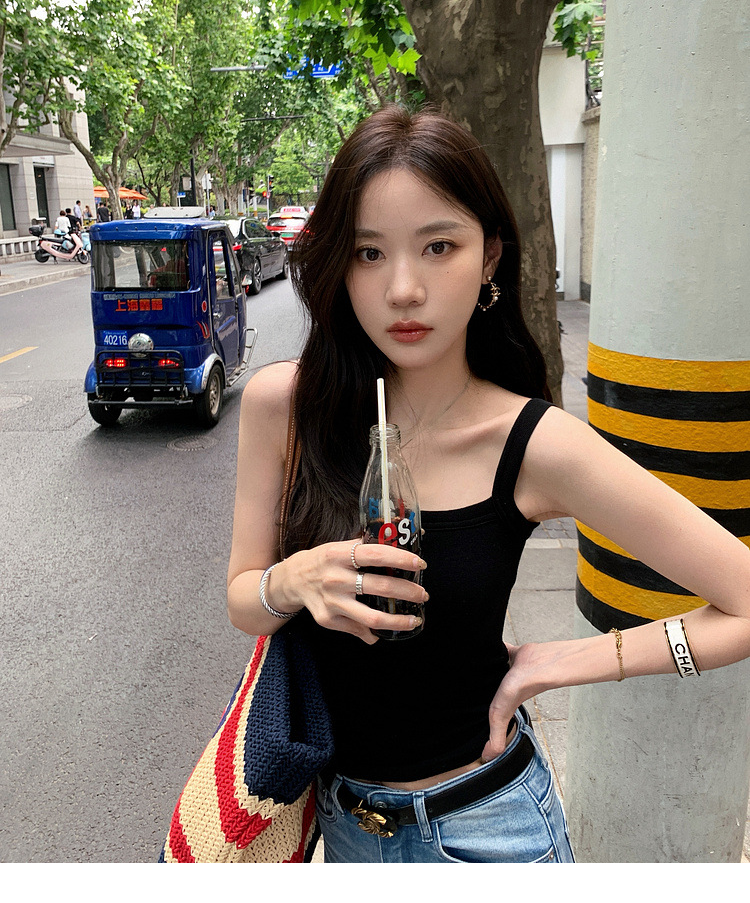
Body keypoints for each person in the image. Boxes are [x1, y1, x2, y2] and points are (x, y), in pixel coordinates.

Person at [227, 105, 750, 864]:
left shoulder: (535, 443)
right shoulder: (286, 407)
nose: (403, 289)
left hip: (491, 833)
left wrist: (560, 662)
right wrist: (292, 579)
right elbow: (244, 599)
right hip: (339, 829)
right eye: (369, 253)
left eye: (438, 246)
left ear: (490, 256)